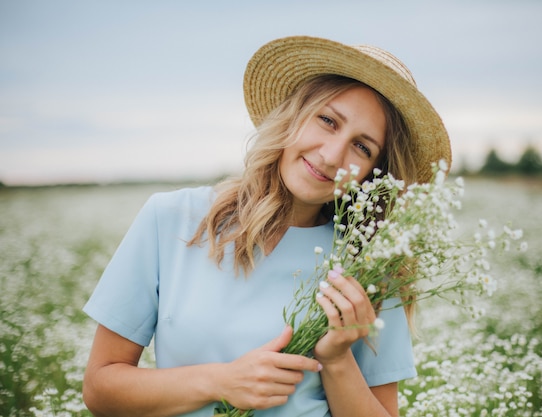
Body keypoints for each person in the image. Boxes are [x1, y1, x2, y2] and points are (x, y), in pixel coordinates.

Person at [82, 35, 451, 417]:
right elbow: (100, 389)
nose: (330, 156)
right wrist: (221, 382)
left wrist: (338, 360)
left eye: (362, 147)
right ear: (292, 114)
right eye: (327, 120)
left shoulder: (368, 268)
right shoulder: (171, 217)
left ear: (373, 174)